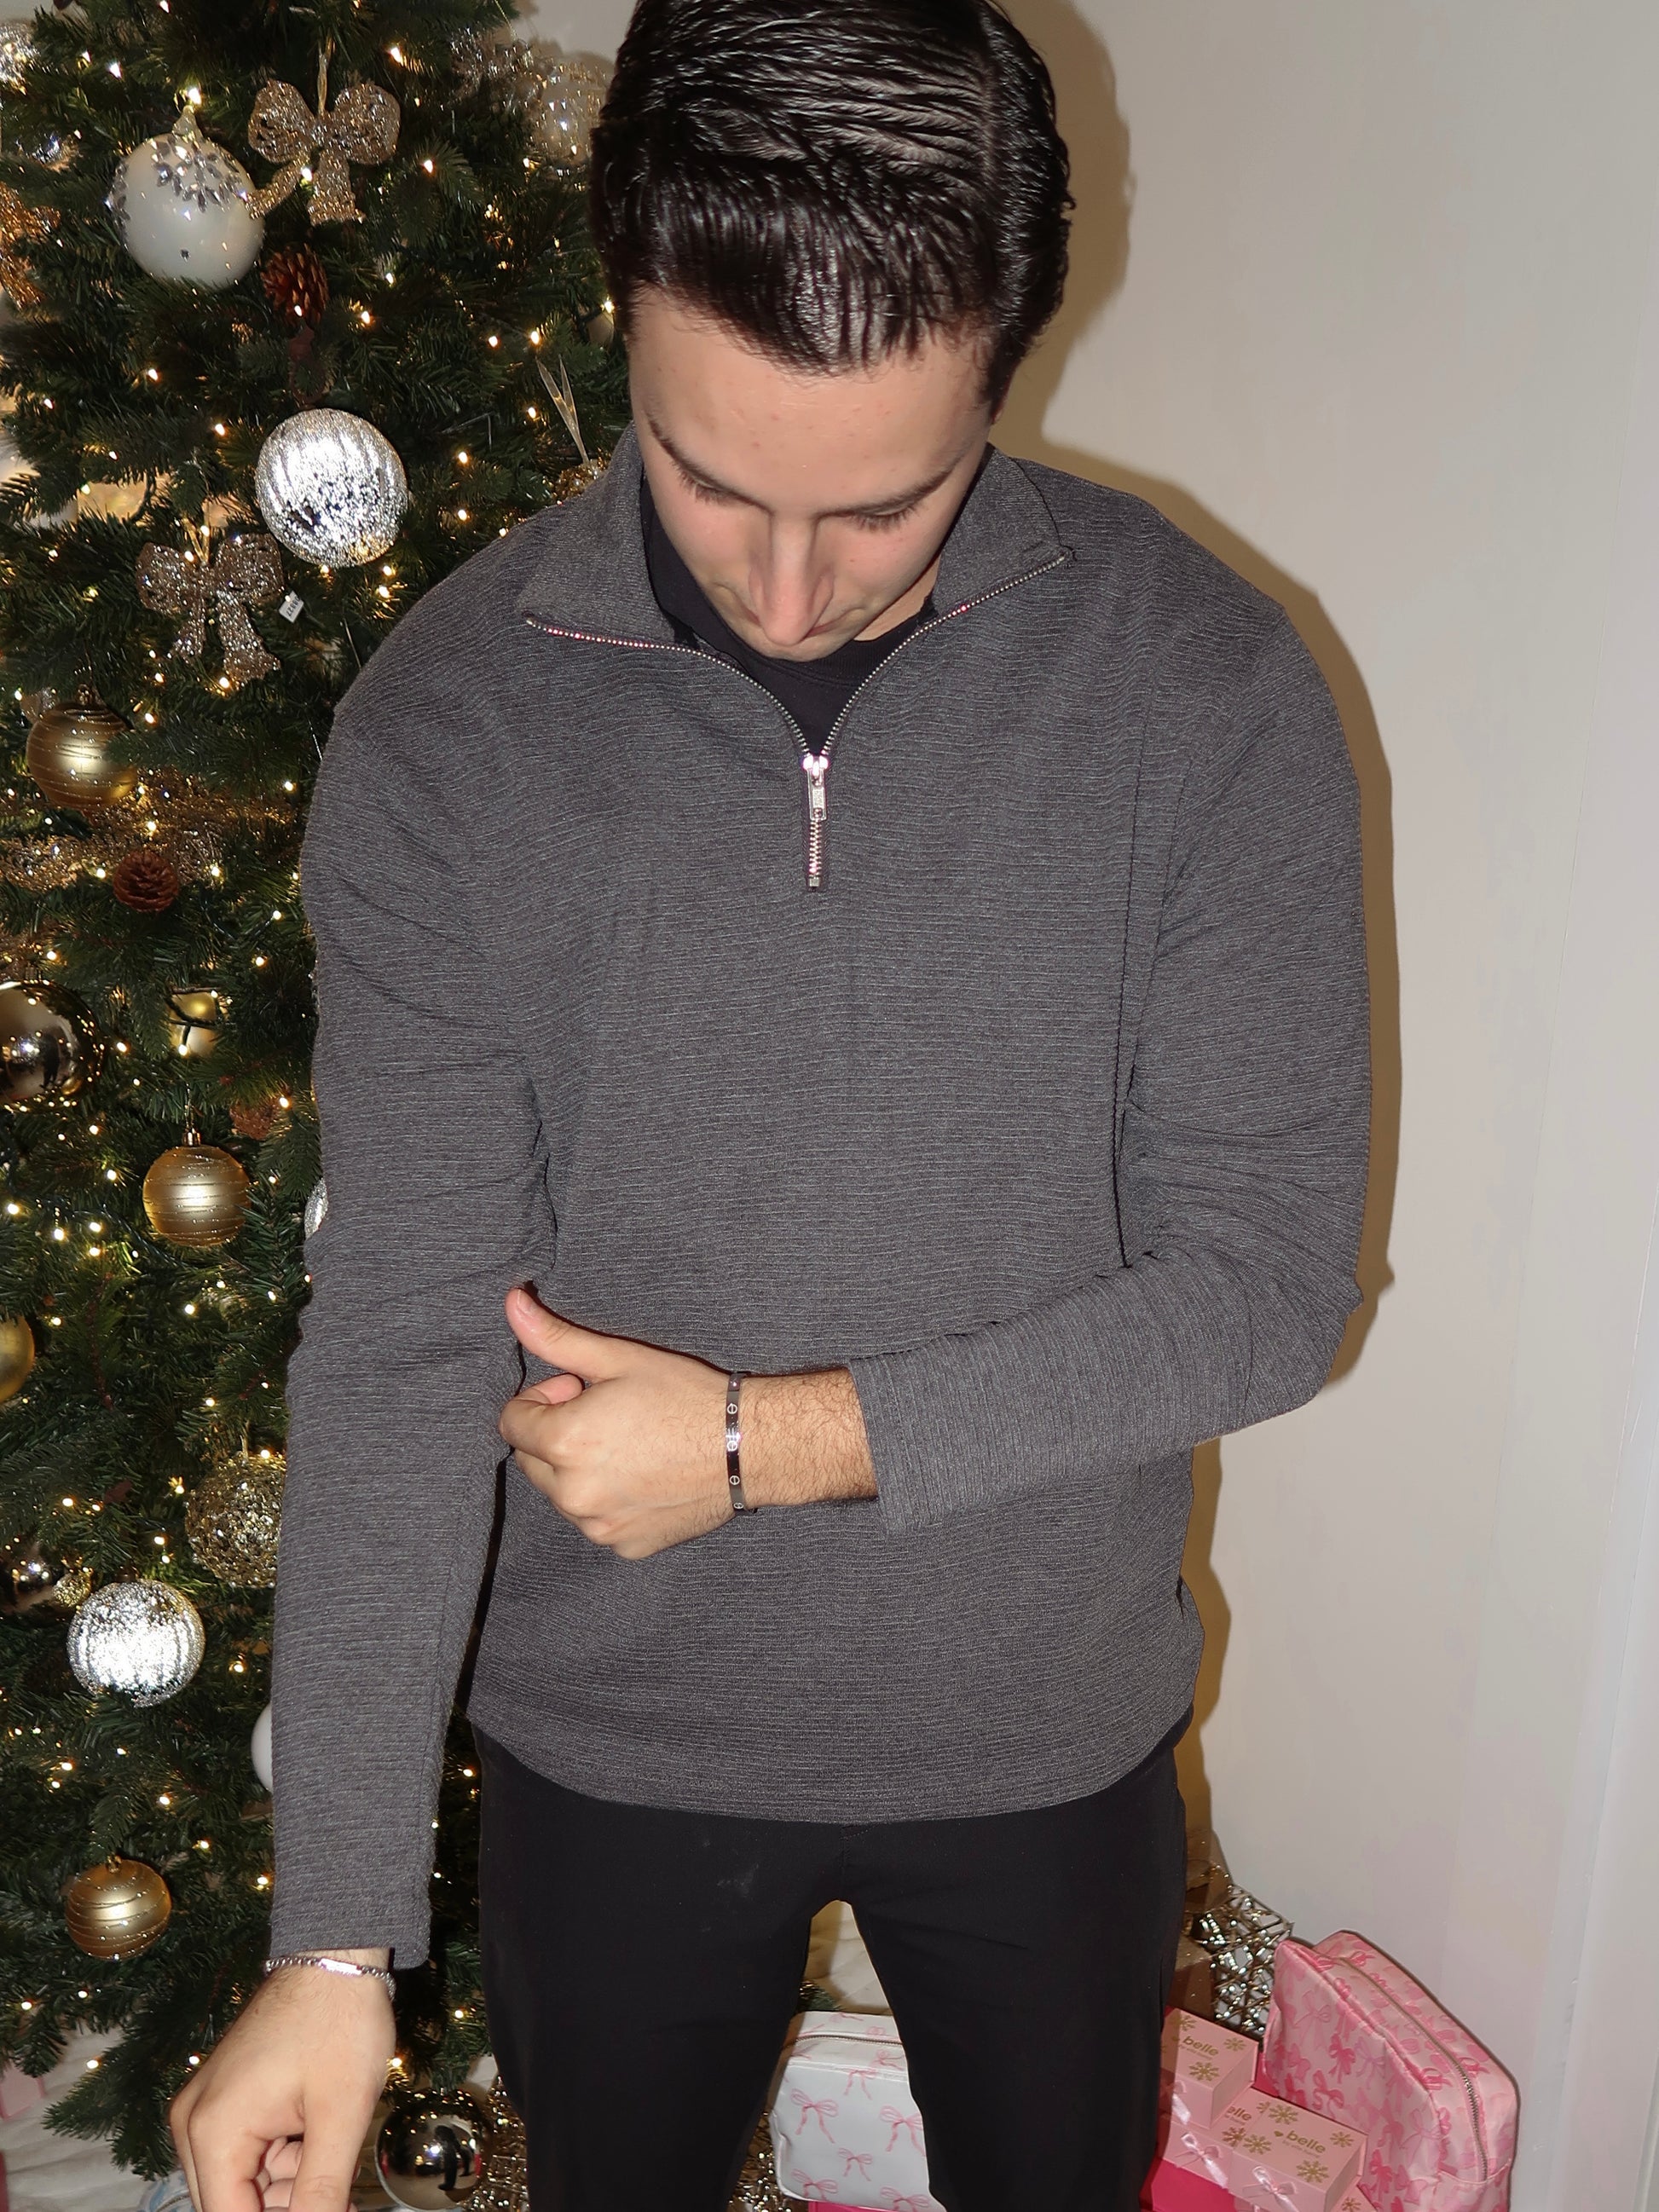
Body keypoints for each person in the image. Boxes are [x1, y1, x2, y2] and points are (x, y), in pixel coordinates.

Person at [169, 3, 1370, 2209]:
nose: (787, 585)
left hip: (1047, 1733)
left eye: (883, 502)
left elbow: (1267, 1286)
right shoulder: (448, 730)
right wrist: (329, 1935)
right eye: (707, 474)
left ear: (1001, 365)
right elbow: (405, 1334)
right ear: (619, 310)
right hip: (609, 1747)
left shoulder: (1203, 690)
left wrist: (761, 1445)